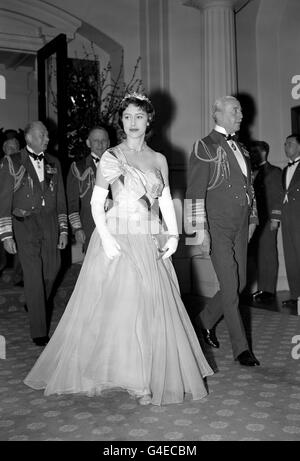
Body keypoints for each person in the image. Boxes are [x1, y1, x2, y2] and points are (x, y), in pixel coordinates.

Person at [24, 93, 213, 405]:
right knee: (124, 305)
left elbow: (164, 199)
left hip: (149, 233)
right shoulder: (112, 156)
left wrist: (175, 235)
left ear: (149, 120)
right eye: (127, 117)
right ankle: (134, 380)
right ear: (121, 122)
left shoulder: (159, 159)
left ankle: (146, 374)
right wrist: (108, 239)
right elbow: (98, 202)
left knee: (150, 306)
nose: (133, 123)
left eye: (139, 117)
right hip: (118, 233)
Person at [186, 95, 260, 367]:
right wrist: (199, 232)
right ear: (216, 114)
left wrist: (253, 219)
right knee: (230, 288)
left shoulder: (243, 149)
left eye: (240, 110)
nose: (241, 115)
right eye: (234, 111)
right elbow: (194, 193)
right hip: (217, 227)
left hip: (241, 226)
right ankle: (242, 349)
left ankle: (204, 321)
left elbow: (249, 188)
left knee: (238, 284)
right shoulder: (204, 147)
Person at [0, 121, 68, 346]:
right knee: (32, 276)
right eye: (42, 135)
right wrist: (6, 234)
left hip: (49, 223)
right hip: (24, 222)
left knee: (52, 269)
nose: (47, 138)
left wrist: (64, 230)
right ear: (28, 138)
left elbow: (60, 200)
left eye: (47, 135)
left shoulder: (54, 162)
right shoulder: (12, 161)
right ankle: (39, 331)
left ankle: (35, 300)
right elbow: (4, 201)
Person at [66, 126, 110, 252]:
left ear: (109, 143)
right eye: (96, 140)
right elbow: (72, 203)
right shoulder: (78, 168)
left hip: (115, 224)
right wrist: (77, 228)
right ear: (88, 143)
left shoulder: (118, 165)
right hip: (90, 225)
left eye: (104, 140)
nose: (100, 144)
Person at [249, 141, 282, 303]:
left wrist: (275, 219)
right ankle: (262, 288)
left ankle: (268, 290)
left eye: (255, 151)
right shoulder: (251, 172)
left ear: (264, 152)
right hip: (255, 220)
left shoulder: (274, 171)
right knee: (258, 255)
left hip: (268, 220)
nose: (253, 154)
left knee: (268, 254)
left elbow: (277, 197)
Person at [277, 134, 300, 308]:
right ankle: (296, 295)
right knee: (290, 257)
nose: (286, 146)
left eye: (290, 143)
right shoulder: (285, 170)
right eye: (285, 144)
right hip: (287, 218)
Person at [1, 137, 24, 286]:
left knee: (21, 247)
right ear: (4, 149)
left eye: (16, 148)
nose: (13, 150)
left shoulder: (23, 167)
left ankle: (19, 276)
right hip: (1, 212)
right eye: (10, 147)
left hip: (17, 213)